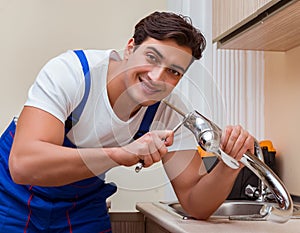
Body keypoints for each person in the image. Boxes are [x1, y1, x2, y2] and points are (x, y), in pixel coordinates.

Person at [0, 11, 254, 232]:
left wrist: (229, 164)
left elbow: (195, 204)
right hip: (11, 196)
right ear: (130, 48)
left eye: (174, 72)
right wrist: (121, 154)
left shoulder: (170, 111)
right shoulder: (72, 73)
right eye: (152, 57)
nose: (157, 77)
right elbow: (24, 165)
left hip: (81, 203)